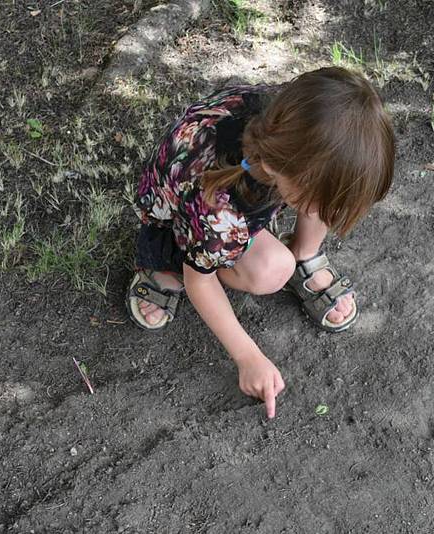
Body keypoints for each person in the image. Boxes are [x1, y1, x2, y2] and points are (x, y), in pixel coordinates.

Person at [126, 67, 395, 418]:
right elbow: (200, 281)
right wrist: (248, 356)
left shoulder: (292, 117)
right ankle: (165, 263)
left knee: (324, 193)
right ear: (279, 169)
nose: (332, 214)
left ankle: (305, 254)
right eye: (319, 201)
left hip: (244, 187)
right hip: (182, 212)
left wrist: (319, 199)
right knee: (271, 270)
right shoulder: (219, 213)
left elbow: (321, 177)